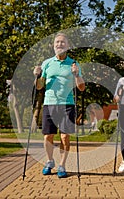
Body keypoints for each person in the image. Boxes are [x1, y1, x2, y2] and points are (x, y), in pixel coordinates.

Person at [33, 33, 85, 178]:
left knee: (64, 137)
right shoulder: (47, 63)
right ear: (53, 45)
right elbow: (39, 87)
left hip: (67, 104)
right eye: (57, 42)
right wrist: (37, 76)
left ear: (67, 46)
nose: (59, 44)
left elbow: (81, 88)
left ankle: (62, 165)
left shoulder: (74, 64)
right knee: (48, 136)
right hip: (49, 103)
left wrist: (76, 75)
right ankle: (50, 161)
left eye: (62, 42)